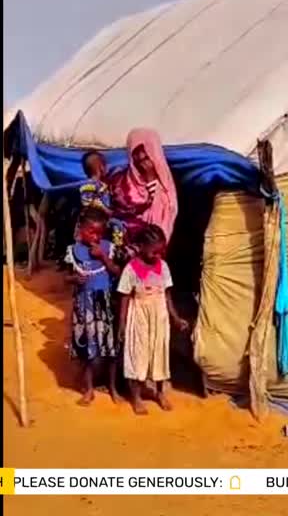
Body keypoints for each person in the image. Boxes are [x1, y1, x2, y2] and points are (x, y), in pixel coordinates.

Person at [117, 225, 189, 415]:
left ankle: (159, 392)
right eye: (154, 251)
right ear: (140, 246)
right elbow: (124, 297)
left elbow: (167, 294)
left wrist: (175, 317)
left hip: (160, 316)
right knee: (138, 355)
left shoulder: (163, 266)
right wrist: (122, 325)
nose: (158, 255)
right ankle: (136, 397)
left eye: (161, 251)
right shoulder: (130, 269)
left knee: (159, 354)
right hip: (139, 316)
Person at [65, 207, 123, 406]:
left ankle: (113, 388)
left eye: (100, 233)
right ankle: (89, 389)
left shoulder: (108, 247)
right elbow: (66, 277)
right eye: (91, 232)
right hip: (85, 306)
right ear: (81, 229)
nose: (96, 237)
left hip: (105, 304)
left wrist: (103, 257)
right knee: (88, 351)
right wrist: (74, 279)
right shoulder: (73, 251)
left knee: (110, 349)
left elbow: (117, 272)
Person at [109, 128, 178, 245]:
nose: (142, 162)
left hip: (155, 247)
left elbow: (168, 212)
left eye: (146, 156)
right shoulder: (120, 182)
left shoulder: (166, 184)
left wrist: (152, 181)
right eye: (136, 156)